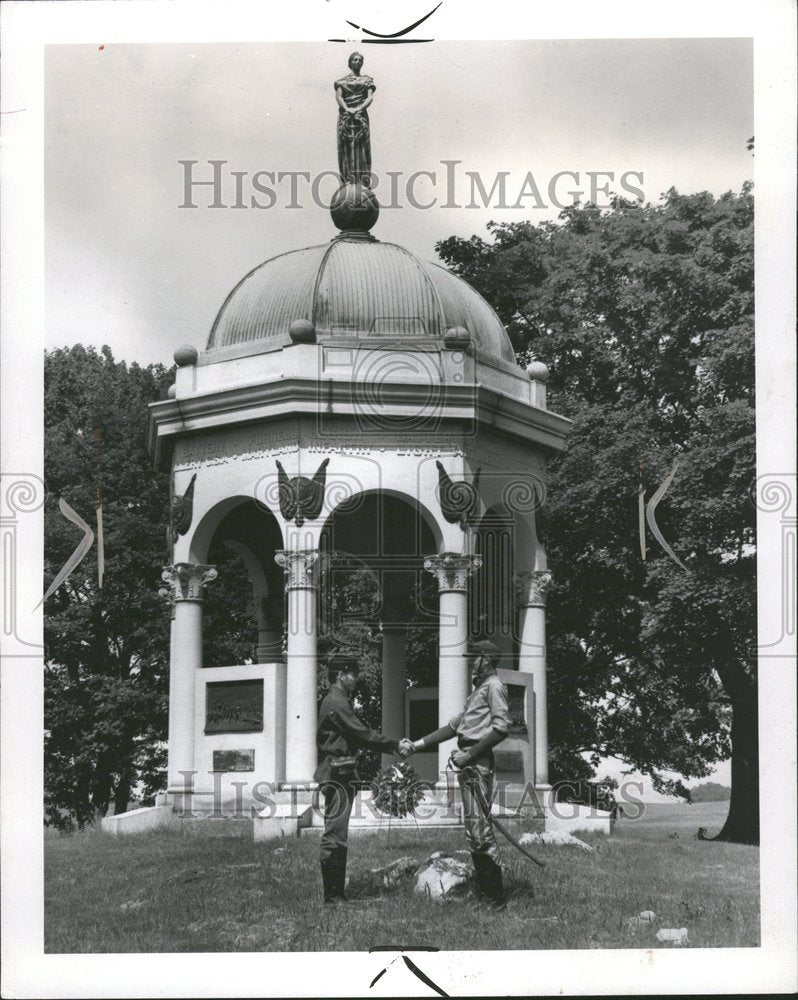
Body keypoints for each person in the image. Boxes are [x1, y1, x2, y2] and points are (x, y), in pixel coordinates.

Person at [402, 640, 511, 908]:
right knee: (474, 830)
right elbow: (453, 727)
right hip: (469, 764)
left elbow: (501, 728)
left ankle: (495, 900)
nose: (470, 662)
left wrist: (469, 755)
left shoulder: (494, 686)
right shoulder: (478, 691)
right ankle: (487, 895)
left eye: (474, 658)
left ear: (486, 659)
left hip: (477, 763)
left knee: (481, 831)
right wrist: (415, 746)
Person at [314, 653, 412, 903]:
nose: (356, 678)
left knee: (338, 832)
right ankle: (333, 897)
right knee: (335, 833)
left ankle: (336, 894)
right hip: (337, 773)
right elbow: (361, 735)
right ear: (340, 675)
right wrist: (394, 744)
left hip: (340, 772)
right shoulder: (336, 701)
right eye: (353, 674)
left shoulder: (338, 700)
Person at [334, 52, 376, 185]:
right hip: (346, 117)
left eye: (359, 60)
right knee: (345, 148)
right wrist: (347, 109)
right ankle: (347, 179)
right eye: (355, 60)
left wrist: (359, 108)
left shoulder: (367, 80)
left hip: (360, 116)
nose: (357, 62)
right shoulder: (342, 82)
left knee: (362, 147)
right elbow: (339, 97)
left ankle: (362, 181)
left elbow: (370, 97)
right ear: (350, 63)